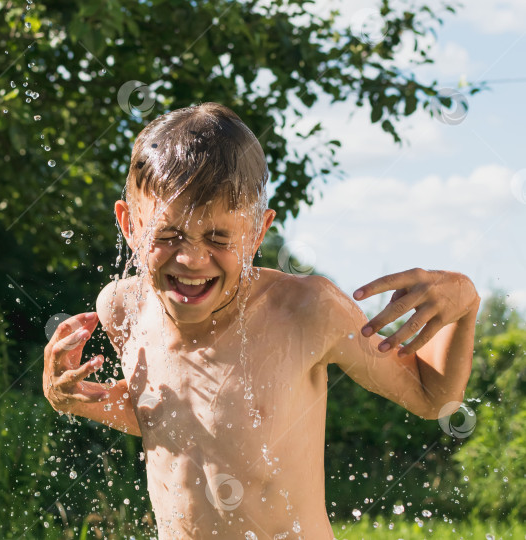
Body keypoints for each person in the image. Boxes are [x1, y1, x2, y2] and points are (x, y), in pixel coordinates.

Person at [42, 102, 480, 539]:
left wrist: (463, 303)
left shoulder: (307, 311)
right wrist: (79, 398)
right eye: (168, 235)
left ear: (257, 232)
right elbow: (174, 422)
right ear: (130, 225)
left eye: (217, 237)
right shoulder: (123, 309)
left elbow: (430, 398)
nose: (191, 258)